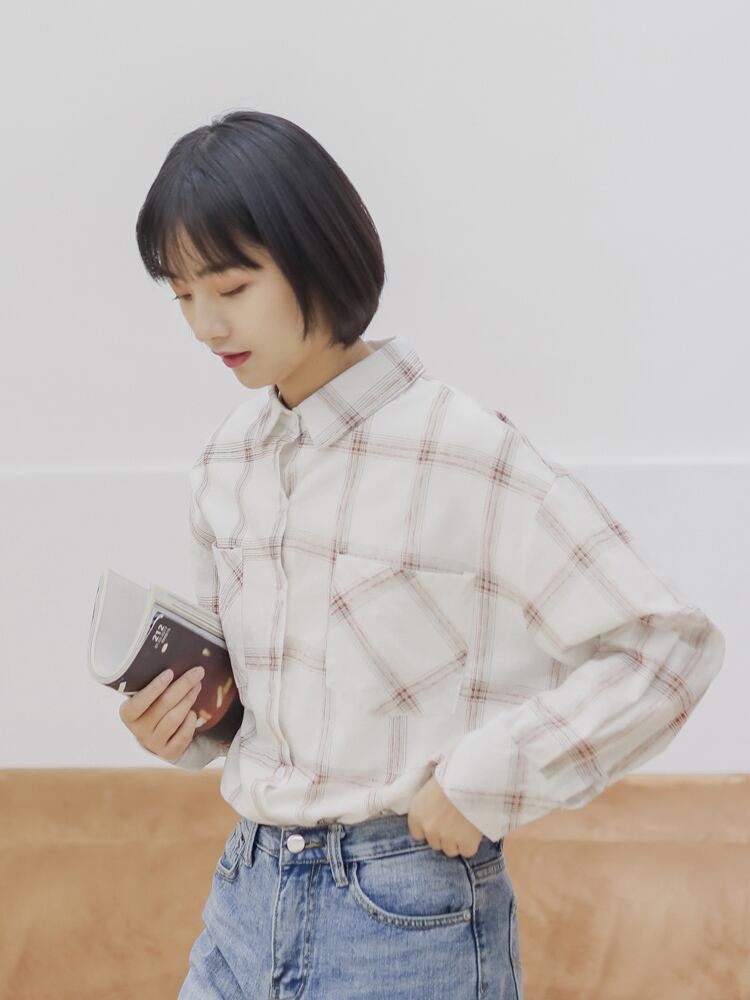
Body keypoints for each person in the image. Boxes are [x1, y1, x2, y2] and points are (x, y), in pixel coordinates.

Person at [119, 109, 725, 999]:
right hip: (244, 899)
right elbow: (271, 709)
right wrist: (189, 725)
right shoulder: (227, 462)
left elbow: (666, 645)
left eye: (231, 287)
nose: (205, 325)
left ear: (317, 253)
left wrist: (489, 780)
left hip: (404, 916)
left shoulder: (462, 450)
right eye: (181, 296)